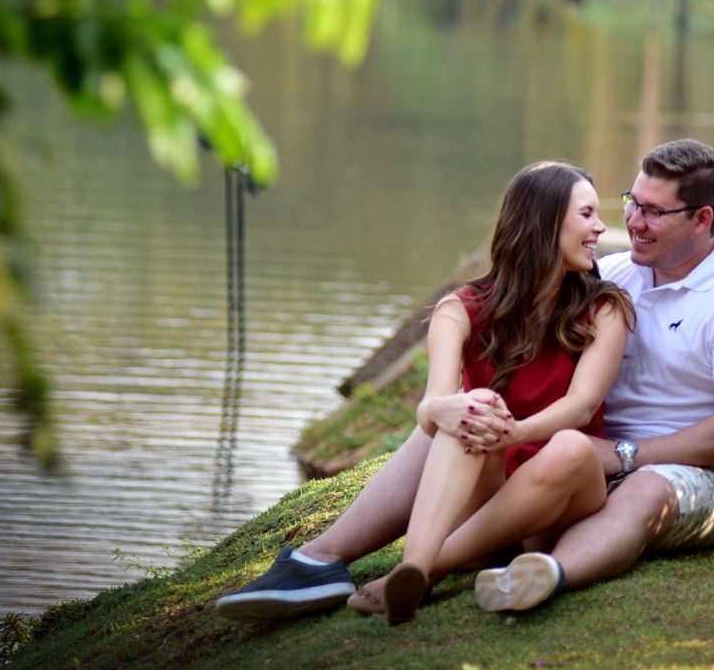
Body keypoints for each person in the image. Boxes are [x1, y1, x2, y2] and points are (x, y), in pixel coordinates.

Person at [213, 138, 714, 622]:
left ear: (703, 218)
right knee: (457, 420)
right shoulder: (612, 276)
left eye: (654, 212)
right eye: (631, 202)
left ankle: (449, 571)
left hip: (684, 472)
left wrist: (625, 454)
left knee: (630, 483)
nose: (631, 222)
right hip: (576, 459)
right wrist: (470, 409)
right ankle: (317, 561)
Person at [216, 160, 632, 626]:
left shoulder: (604, 307)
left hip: (557, 508)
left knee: (571, 448)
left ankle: (424, 570)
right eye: (587, 214)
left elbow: (583, 405)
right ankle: (411, 566)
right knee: (463, 411)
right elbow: (432, 407)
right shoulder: (460, 309)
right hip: (485, 498)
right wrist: (456, 411)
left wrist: (514, 433)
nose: (600, 227)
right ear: (545, 221)